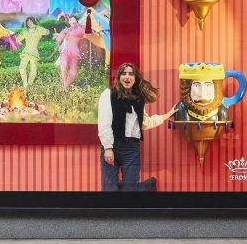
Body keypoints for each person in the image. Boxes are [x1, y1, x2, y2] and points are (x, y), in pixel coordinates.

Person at [97, 63, 176, 192]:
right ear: (119, 77)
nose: (127, 77)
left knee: (130, 191)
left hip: (131, 148)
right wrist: (108, 148)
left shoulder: (139, 99)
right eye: (124, 73)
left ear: (135, 78)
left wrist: (167, 115)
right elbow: (104, 123)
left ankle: (147, 186)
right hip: (112, 145)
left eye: (131, 74)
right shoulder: (108, 94)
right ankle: (146, 186)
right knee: (108, 190)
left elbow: (144, 123)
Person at [15, 17, 49, 90]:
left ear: (33, 21)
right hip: (26, 51)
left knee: (33, 70)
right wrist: (14, 38)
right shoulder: (25, 31)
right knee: (21, 68)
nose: (29, 23)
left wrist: (39, 28)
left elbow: (47, 32)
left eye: (30, 21)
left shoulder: (38, 29)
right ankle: (25, 84)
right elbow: (17, 40)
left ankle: (29, 85)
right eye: (27, 22)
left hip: (34, 52)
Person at [55, 16, 85, 88]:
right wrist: (58, 38)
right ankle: (64, 85)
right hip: (65, 52)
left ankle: (65, 85)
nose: (73, 21)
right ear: (69, 22)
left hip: (74, 53)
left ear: (77, 21)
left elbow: (89, 32)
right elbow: (59, 39)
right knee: (64, 66)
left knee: (74, 72)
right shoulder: (66, 30)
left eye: (74, 19)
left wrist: (98, 32)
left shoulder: (81, 29)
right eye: (71, 20)